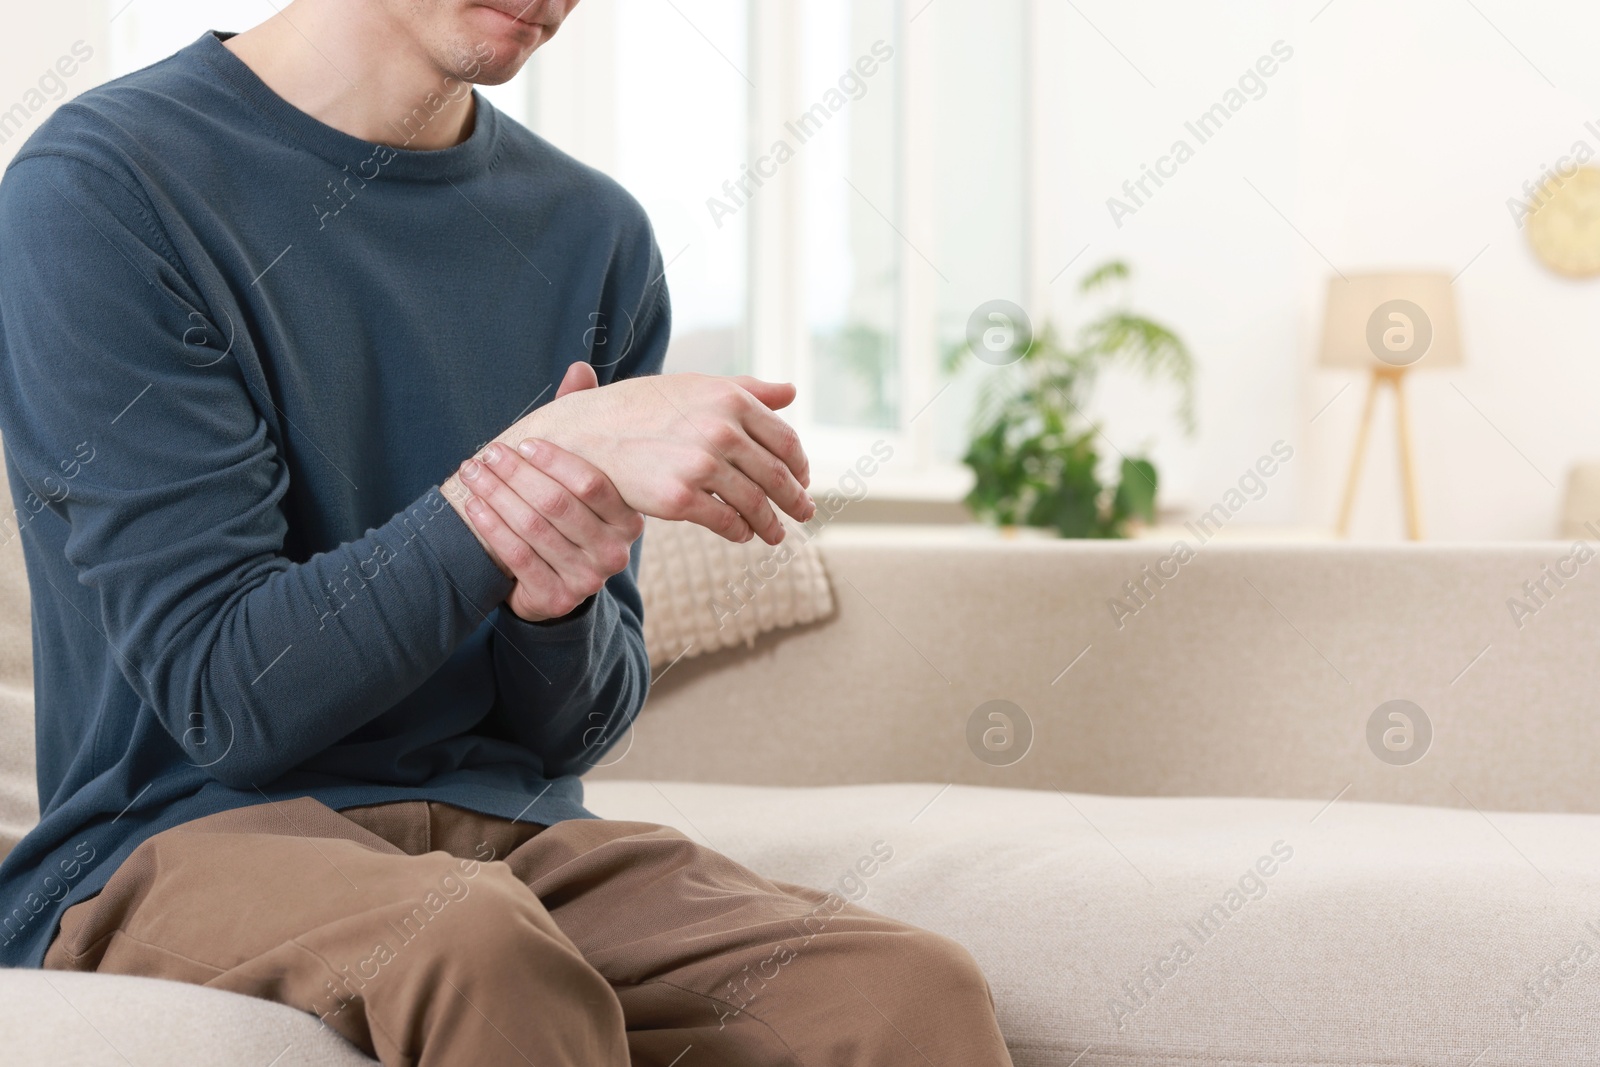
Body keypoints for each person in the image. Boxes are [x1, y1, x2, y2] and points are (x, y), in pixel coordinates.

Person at [0, 1, 1014, 1063]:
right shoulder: (106, 185)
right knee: (477, 948)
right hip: (174, 837)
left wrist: (553, 603)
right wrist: (509, 491)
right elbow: (224, 700)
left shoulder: (593, 234)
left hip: (512, 839)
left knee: (896, 989)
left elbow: (572, 735)